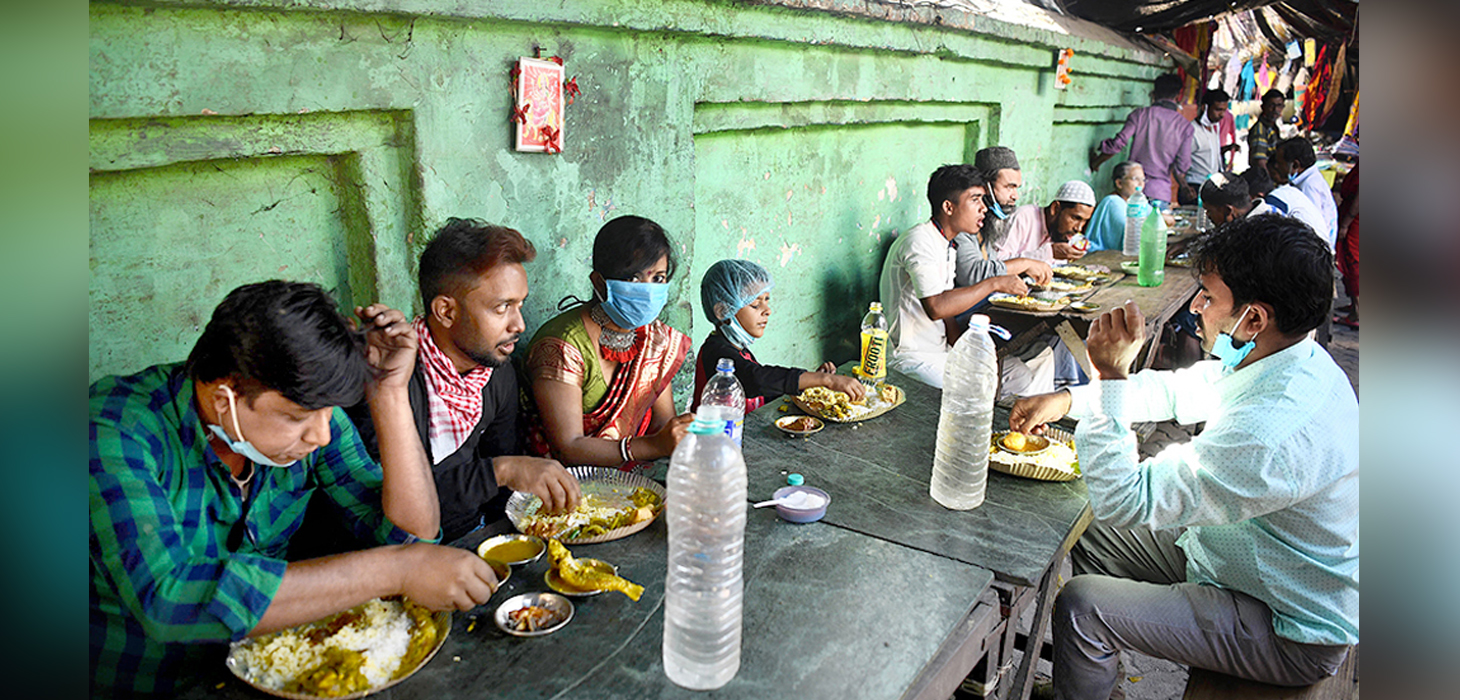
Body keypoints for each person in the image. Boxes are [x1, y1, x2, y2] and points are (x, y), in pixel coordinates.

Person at [91, 281, 502, 697]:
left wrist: (388, 394)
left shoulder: (307, 415)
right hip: (152, 685)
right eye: (296, 418)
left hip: (271, 674)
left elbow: (412, 534)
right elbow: (169, 597)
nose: (321, 436)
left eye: (328, 414)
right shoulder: (113, 430)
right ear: (224, 398)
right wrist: (396, 569)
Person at [1009, 215, 1358, 700]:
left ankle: (1093, 654)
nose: (1197, 307)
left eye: (1209, 297)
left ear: (1254, 319)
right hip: (1238, 556)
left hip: (1287, 626)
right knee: (1084, 529)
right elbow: (1179, 391)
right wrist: (1070, 400)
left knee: (1083, 605)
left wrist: (1110, 377)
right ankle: (1097, 665)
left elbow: (1124, 499)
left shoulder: (1270, 433)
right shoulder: (1292, 360)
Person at [346, 219, 581, 542]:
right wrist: (501, 471)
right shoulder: (389, 376)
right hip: (397, 553)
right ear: (445, 311)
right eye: (502, 308)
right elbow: (386, 502)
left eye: (520, 304)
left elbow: (501, 485)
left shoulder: (496, 372)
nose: (520, 324)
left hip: (472, 534)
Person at [526, 215, 695, 471]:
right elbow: (568, 447)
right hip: (561, 486)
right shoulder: (562, 346)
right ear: (599, 282)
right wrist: (654, 446)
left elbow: (664, 424)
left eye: (658, 278)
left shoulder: (655, 339)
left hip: (632, 480)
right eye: (633, 279)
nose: (647, 290)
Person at [879, 164, 1047, 390]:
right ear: (949, 207)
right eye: (975, 199)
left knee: (1017, 374)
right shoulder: (919, 241)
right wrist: (995, 282)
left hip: (941, 352)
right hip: (911, 358)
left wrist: (965, 351)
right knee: (973, 392)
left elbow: (948, 313)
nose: (984, 209)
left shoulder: (948, 243)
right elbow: (937, 306)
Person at [694, 259, 866, 411]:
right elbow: (757, 380)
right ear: (724, 310)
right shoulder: (715, 353)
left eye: (767, 300)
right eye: (755, 304)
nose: (767, 311)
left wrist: (811, 383)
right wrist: (825, 380)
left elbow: (765, 392)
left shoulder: (740, 349)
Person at [1090, 74, 1194, 211]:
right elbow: (1183, 165)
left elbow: (1118, 144)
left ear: (1154, 93)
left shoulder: (1140, 115)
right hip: (1159, 193)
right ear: (1178, 96)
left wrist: (1096, 162)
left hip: (1131, 190)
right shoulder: (1184, 126)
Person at [991, 180, 1097, 263]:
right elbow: (997, 262)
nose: (1078, 228)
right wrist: (1048, 253)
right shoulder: (1023, 218)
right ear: (1055, 208)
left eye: (1084, 221)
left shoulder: (1060, 234)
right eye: (1075, 218)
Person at [1270, 137, 1339, 246]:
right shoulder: (1309, 179)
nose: (1277, 166)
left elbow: (1311, 227)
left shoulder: (1309, 186)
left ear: (1295, 165)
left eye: (1280, 162)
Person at [957, 145, 1023, 251]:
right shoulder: (965, 225)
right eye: (1009, 187)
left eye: (1016, 188)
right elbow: (976, 267)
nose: (1015, 196)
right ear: (986, 186)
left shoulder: (1001, 224)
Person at [1178, 89, 1235, 205]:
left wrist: (1227, 149)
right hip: (1195, 186)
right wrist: (1184, 186)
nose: (1222, 115)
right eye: (1218, 110)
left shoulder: (1214, 128)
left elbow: (1209, 153)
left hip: (1211, 186)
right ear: (1205, 107)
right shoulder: (1192, 131)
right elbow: (1178, 161)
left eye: (1224, 110)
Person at [1084, 162, 1144, 252]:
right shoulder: (1113, 202)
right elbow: (1131, 233)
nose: (1140, 184)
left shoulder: (1136, 203)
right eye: (1135, 179)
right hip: (1103, 256)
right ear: (1119, 183)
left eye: (1143, 180)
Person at [1333, 164, 1359, 328]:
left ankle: (1357, 312)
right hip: (1352, 214)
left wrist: (1346, 223)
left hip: (1355, 220)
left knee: (1353, 261)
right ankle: (1354, 304)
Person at [1199, 171, 1275, 226]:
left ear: (1228, 210)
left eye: (1209, 211)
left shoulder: (1255, 231)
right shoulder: (1268, 210)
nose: (1207, 215)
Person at [1247, 89, 1286, 172]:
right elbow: (1260, 161)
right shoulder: (1260, 129)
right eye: (1271, 105)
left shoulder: (1272, 126)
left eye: (1279, 105)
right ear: (1263, 106)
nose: (1275, 109)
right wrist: (1268, 182)